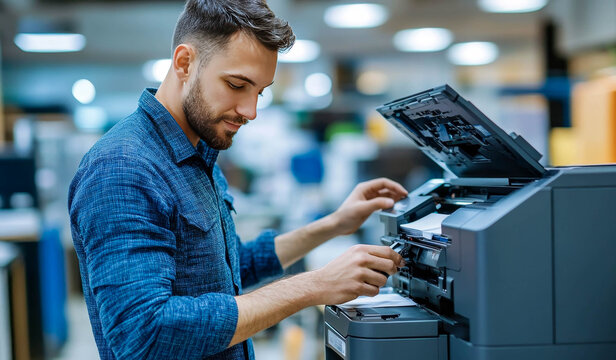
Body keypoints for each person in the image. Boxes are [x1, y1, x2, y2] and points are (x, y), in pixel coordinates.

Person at [68, 0, 408, 359]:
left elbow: (227, 271)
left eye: (259, 92)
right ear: (185, 63)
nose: (251, 111)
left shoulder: (199, 153)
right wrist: (314, 285)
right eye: (236, 84)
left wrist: (334, 224)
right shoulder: (123, 167)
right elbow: (145, 335)